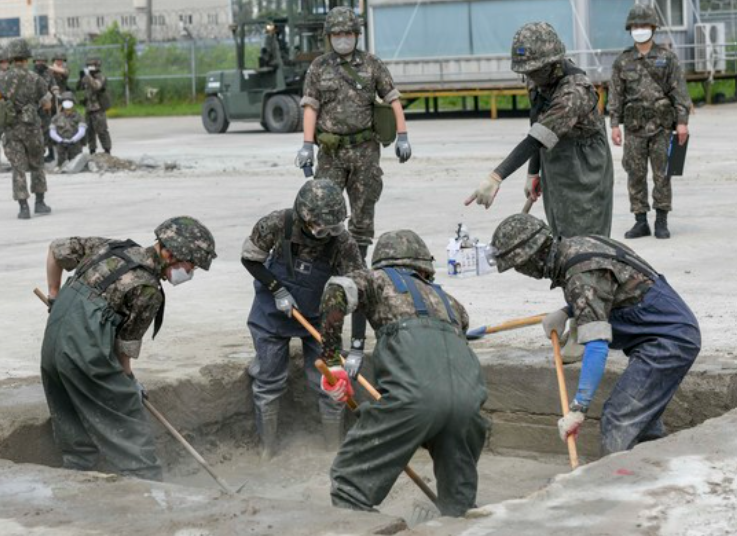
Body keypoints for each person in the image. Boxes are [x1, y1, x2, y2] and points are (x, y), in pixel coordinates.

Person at [490, 213, 700, 455]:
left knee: (618, 417)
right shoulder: (580, 246)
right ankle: (651, 479)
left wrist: (579, 407)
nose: (521, 271)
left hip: (668, 342)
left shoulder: (579, 274)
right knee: (643, 423)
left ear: (533, 256)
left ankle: (613, 486)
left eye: (519, 265)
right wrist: (567, 311)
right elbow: (611, 291)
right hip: (665, 332)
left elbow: (597, 347)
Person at [317, 229, 488, 517]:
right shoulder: (452, 304)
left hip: (416, 399)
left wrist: (333, 360)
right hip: (469, 405)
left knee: (349, 485)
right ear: (424, 265)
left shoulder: (378, 280)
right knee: (459, 503)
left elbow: (335, 291)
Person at [41, 216, 217, 481]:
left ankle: (76, 481)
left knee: (71, 421)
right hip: (84, 355)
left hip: (52, 347)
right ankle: (146, 482)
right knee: (127, 416)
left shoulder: (110, 248)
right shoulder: (147, 290)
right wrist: (129, 382)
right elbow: (125, 348)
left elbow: (56, 249)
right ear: (169, 253)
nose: (190, 272)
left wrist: (54, 294)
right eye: (190, 265)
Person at [298, 5, 412, 360]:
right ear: (329, 37)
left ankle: (357, 279)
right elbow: (311, 107)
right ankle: (324, 281)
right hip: (330, 152)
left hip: (365, 151)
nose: (343, 39)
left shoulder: (372, 64)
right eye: (337, 34)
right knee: (322, 218)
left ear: (356, 35)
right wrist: (306, 143)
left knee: (362, 225)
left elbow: (393, 100)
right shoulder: (319, 67)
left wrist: (404, 135)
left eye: (348, 33)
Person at [241, 180, 364, 460]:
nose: (327, 235)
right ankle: (267, 449)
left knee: (330, 383)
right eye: (322, 228)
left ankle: (333, 450)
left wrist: (356, 346)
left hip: (321, 319)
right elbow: (250, 259)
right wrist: (277, 289)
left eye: (333, 228)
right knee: (269, 380)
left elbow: (359, 292)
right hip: (273, 313)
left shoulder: (342, 242)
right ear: (305, 217)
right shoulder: (277, 223)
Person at [466, 22, 614, 239]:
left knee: (586, 237)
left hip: (584, 165)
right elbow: (537, 124)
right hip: (554, 156)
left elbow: (537, 137)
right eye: (526, 72)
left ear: (551, 64)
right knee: (560, 229)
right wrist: (534, 171)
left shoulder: (574, 92)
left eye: (534, 71)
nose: (530, 77)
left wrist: (496, 176)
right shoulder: (538, 78)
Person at [609, 5, 691, 240]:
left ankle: (661, 221)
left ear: (653, 28)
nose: (640, 29)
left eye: (644, 25)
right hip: (634, 129)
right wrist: (614, 124)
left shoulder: (667, 58)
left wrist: (682, 122)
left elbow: (680, 93)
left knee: (662, 174)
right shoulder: (622, 61)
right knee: (635, 173)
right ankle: (640, 221)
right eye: (636, 26)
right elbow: (616, 95)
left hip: (662, 127)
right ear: (630, 29)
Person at [0, 39, 52, 219]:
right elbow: (46, 103)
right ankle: (40, 203)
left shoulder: (2, 78)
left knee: (18, 168)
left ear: (11, 58)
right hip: (32, 129)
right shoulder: (35, 78)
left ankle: (23, 207)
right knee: (37, 165)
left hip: (11, 129)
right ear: (27, 58)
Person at [76, 57, 111, 155]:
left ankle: (107, 150)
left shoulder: (100, 77)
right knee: (89, 131)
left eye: (92, 66)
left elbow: (96, 86)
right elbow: (79, 89)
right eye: (88, 66)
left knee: (102, 130)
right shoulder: (87, 77)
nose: (90, 68)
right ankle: (92, 150)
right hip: (88, 108)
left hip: (98, 108)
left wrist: (88, 76)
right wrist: (81, 79)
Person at [50, 91, 86, 168]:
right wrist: (60, 140)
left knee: (76, 164)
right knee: (61, 165)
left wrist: (73, 140)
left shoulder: (79, 116)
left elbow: (82, 132)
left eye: (69, 109)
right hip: (61, 145)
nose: (68, 111)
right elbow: (52, 133)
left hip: (75, 145)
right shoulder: (56, 118)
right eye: (66, 109)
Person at [33, 52, 58, 163]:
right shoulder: (31, 74)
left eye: (42, 61)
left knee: (47, 130)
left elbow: (54, 85)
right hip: (34, 107)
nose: (40, 63)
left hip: (46, 107)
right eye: (38, 61)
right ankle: (39, 155)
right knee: (35, 131)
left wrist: (55, 90)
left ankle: (51, 153)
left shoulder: (49, 74)